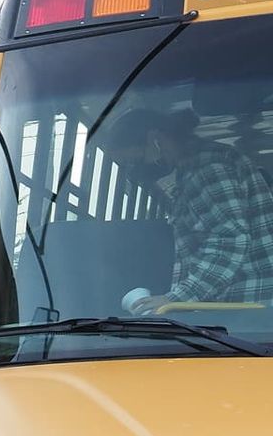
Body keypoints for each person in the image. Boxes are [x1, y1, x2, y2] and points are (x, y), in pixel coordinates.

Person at [109, 107, 273, 311]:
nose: (132, 172)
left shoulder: (208, 169)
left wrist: (176, 299)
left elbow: (228, 241)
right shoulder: (190, 172)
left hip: (246, 312)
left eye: (132, 161)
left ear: (155, 139)